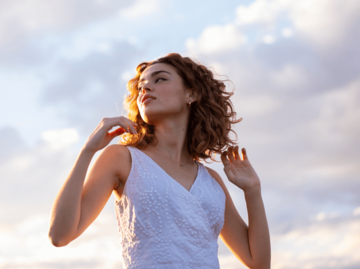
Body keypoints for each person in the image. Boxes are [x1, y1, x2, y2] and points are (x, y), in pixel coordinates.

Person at [48, 53, 271, 269]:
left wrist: (253, 191)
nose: (145, 88)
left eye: (160, 79)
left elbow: (258, 263)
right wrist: (87, 151)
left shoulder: (212, 181)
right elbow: (60, 236)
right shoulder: (122, 158)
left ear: (191, 94)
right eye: (141, 86)